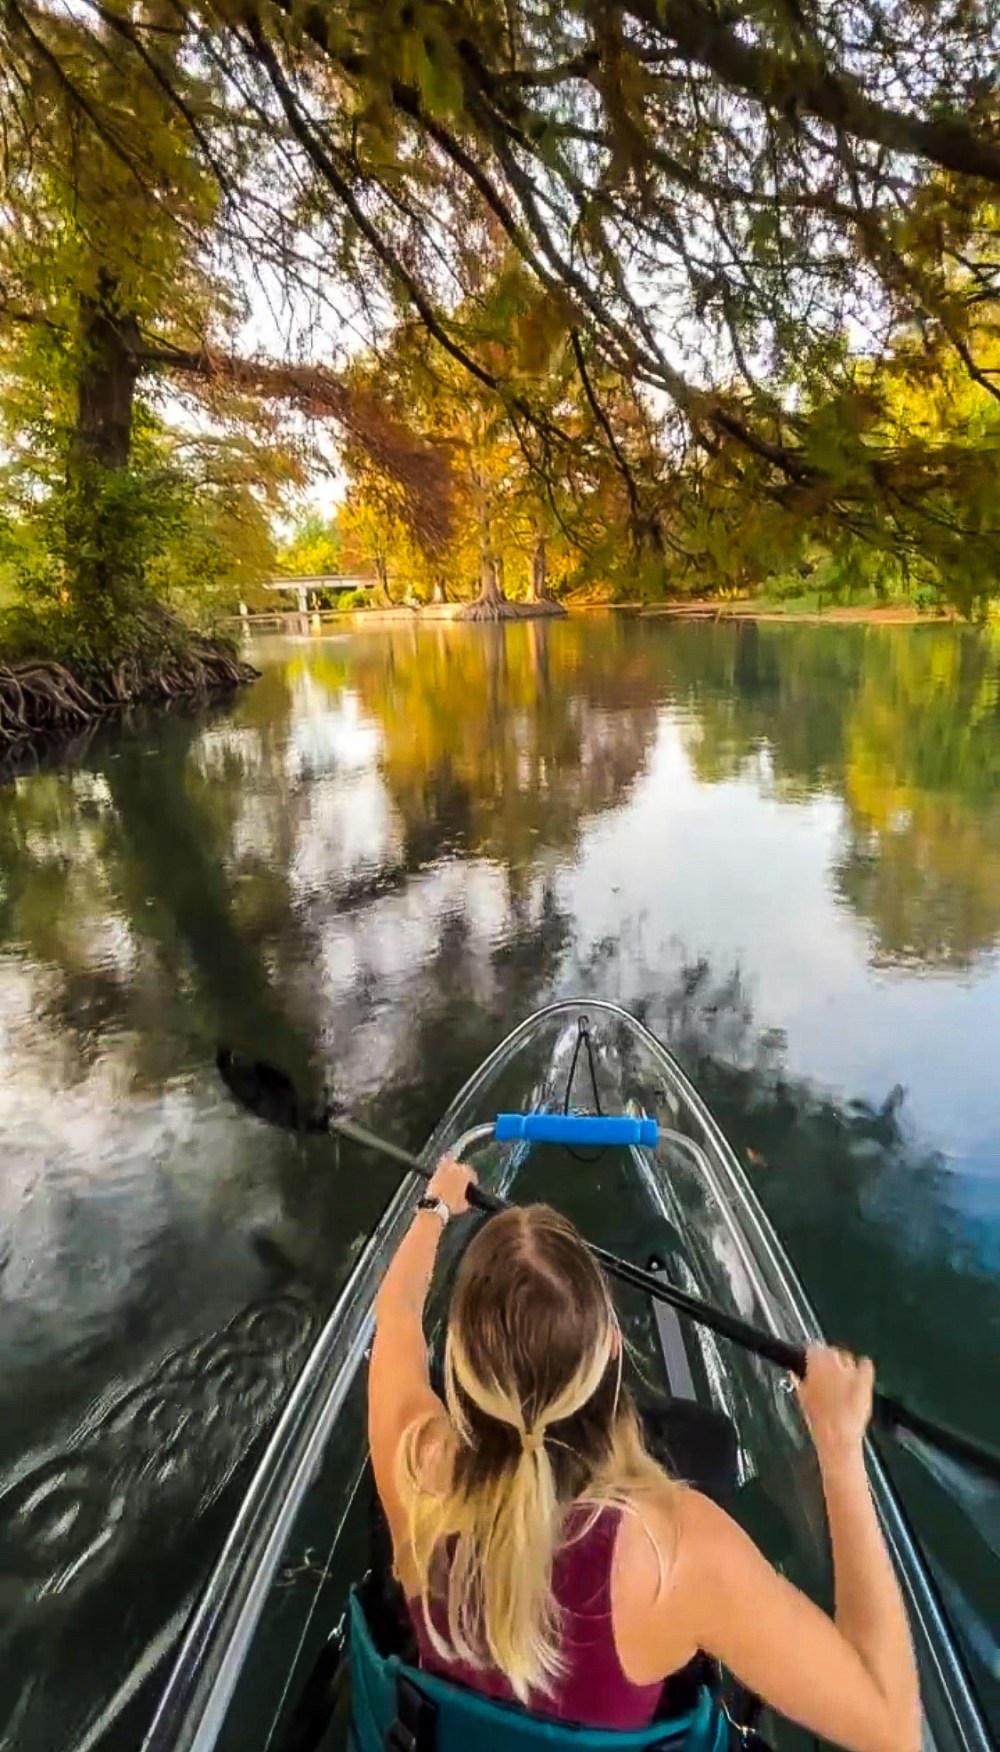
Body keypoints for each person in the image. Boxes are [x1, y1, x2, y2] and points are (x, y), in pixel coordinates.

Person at [368, 1158, 921, 1752]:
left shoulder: (416, 1465)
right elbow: (890, 1730)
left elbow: (395, 1312)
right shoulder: (674, 1550)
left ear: (460, 1360)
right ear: (610, 1345)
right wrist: (839, 1450)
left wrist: (436, 1207)